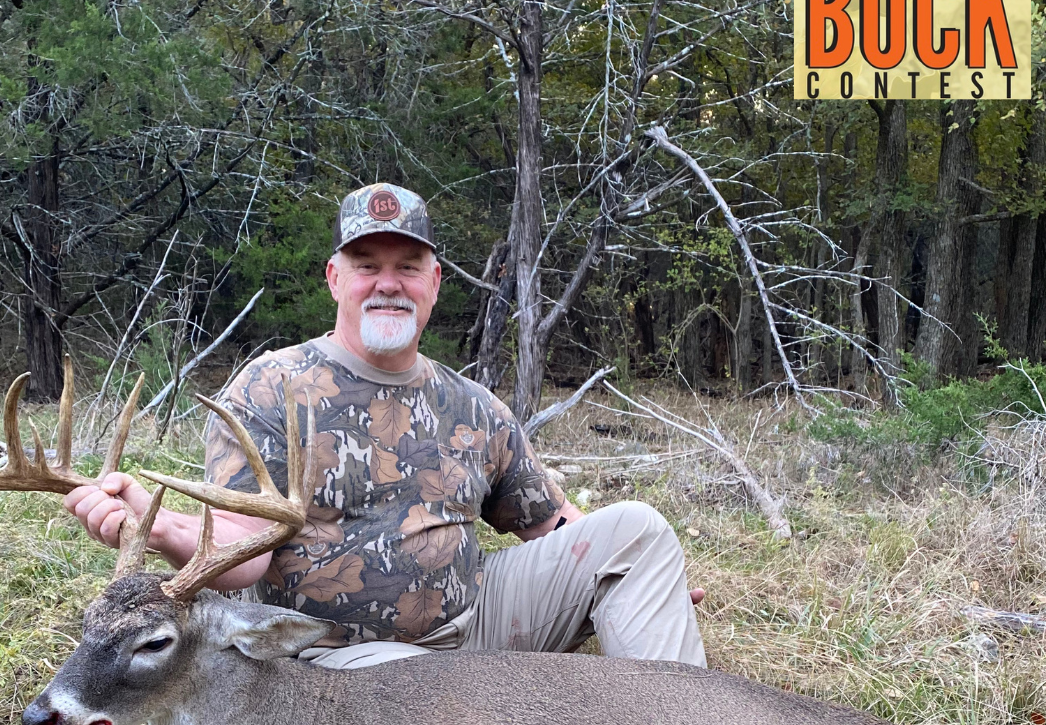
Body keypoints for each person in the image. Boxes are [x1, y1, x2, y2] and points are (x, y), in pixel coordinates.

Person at [65, 183, 706, 669]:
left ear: (433, 283)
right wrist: (160, 524)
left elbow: (552, 524)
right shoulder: (269, 388)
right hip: (337, 663)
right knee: (413, 704)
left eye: (406, 267)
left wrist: (646, 583)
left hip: (472, 627)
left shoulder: (476, 407)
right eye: (368, 265)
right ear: (335, 278)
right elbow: (242, 556)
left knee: (638, 533)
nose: (387, 285)